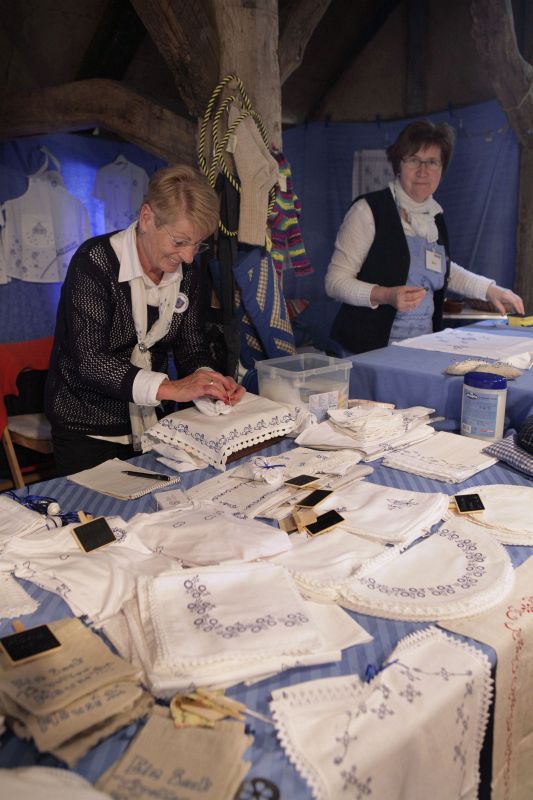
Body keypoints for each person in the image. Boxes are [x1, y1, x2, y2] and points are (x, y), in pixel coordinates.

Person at [45, 165, 244, 475]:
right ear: (147, 217)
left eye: (197, 244)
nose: (189, 257)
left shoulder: (189, 273)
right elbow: (91, 362)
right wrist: (173, 389)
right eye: (179, 242)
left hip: (155, 426)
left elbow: (191, 346)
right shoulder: (93, 263)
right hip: (88, 430)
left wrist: (207, 380)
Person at [326, 119, 524, 355]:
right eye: (413, 160)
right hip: (368, 352)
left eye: (432, 162)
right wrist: (386, 295)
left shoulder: (434, 217)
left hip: (421, 347)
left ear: (441, 169)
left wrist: (489, 289)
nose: (423, 171)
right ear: (398, 165)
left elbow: (443, 271)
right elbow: (335, 283)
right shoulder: (368, 211)